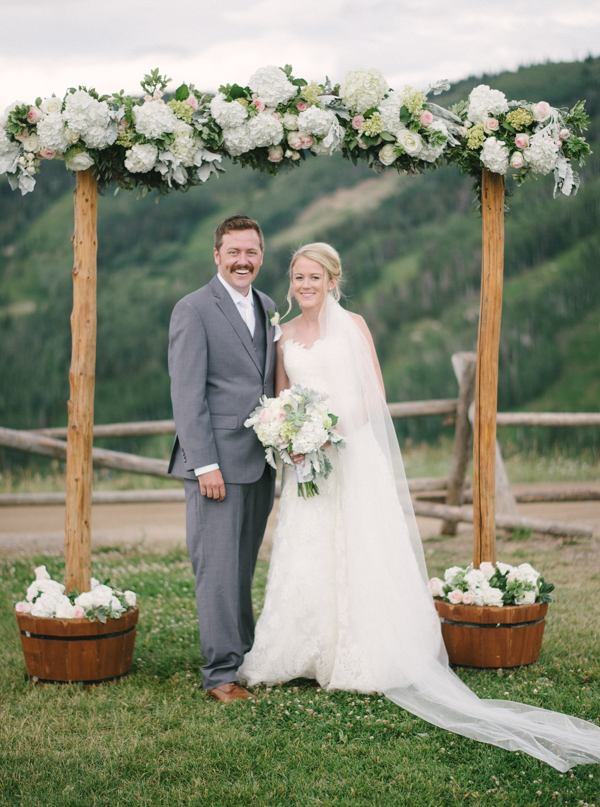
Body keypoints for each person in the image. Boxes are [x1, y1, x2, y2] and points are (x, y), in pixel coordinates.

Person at [238, 242, 600, 771]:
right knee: (306, 548)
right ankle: (301, 650)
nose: (304, 284)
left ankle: (364, 653)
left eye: (313, 276)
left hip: (352, 455)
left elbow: (372, 394)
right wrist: (290, 435)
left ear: (332, 281)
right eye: (297, 276)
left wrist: (328, 432)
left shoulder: (354, 327)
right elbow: (279, 399)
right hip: (306, 466)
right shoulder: (283, 335)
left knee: (363, 548)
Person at [168, 215, 280, 703]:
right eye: (233, 251)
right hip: (215, 464)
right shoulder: (192, 309)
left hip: (259, 461)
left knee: (240, 567)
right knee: (216, 568)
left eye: (250, 252)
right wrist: (204, 464)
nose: (242, 260)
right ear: (217, 255)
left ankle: (244, 653)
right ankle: (219, 676)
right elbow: (187, 395)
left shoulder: (270, 305)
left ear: (261, 255)